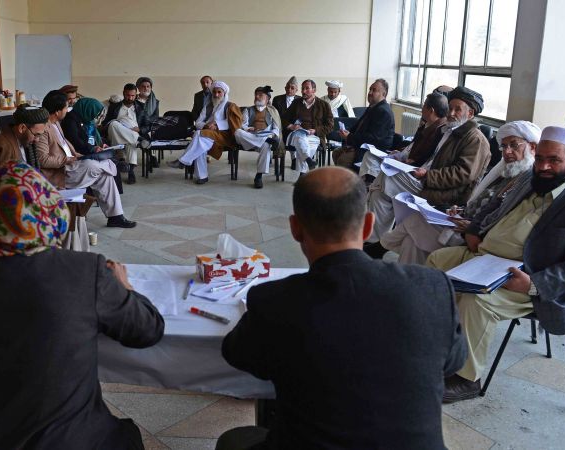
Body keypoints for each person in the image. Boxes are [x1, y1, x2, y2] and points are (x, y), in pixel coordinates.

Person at [217, 167, 466, 449]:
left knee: (233, 440)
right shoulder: (432, 288)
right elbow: (454, 362)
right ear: (369, 225)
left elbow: (238, 355)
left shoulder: (275, 301)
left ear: (295, 228)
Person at [0, 161, 163, 449]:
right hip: (71, 441)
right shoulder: (83, 270)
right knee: (126, 436)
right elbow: (147, 330)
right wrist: (125, 286)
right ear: (48, 209)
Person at [427, 126, 565, 403]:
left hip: (526, 278)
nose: (544, 166)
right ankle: (436, 348)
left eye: (554, 160)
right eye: (540, 159)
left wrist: (533, 284)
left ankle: (467, 379)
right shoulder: (532, 178)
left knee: (476, 301)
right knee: (434, 264)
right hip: (484, 257)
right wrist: (474, 229)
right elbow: (494, 206)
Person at [381, 121, 540, 264]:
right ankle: (409, 282)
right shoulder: (506, 174)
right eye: (504, 146)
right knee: (410, 242)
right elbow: (482, 202)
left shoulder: (526, 183)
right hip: (460, 220)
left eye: (514, 145)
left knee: (416, 220)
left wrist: (472, 226)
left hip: (469, 234)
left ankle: (383, 244)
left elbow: (501, 219)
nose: (507, 152)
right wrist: (461, 210)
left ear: (532, 147)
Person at [365, 86, 491, 246]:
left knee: (387, 178)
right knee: (379, 193)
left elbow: (463, 174)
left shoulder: (476, 139)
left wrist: (428, 175)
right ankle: (374, 239)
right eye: (450, 108)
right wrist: (411, 164)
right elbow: (428, 156)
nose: (451, 113)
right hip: (424, 179)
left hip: (442, 191)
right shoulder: (448, 130)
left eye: (457, 109)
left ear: (470, 113)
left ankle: (376, 237)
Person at [36, 92, 136, 228]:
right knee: (95, 165)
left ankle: (115, 217)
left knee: (104, 175)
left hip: (72, 164)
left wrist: (77, 155)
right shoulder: (43, 128)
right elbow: (43, 159)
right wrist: (68, 159)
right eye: (65, 107)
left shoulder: (56, 124)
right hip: (61, 173)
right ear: (58, 111)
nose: (67, 110)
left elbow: (66, 144)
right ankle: (115, 165)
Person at [358, 92, 448, 181]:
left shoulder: (439, 132)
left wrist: (406, 160)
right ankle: (369, 183)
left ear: (431, 111)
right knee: (369, 155)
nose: (422, 109)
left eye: (424, 105)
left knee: (385, 172)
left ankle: (373, 183)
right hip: (402, 158)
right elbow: (413, 145)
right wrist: (400, 152)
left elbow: (425, 159)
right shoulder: (426, 124)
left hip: (410, 168)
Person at [166, 81, 242, 184]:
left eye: (219, 92)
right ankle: (201, 176)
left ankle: (183, 161)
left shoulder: (231, 106)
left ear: (224, 93)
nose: (216, 95)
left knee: (199, 135)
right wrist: (207, 125)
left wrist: (217, 124)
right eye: (214, 92)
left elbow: (234, 124)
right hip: (209, 135)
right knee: (200, 142)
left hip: (225, 137)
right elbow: (198, 123)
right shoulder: (208, 106)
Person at [332, 79, 395, 168]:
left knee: (343, 159)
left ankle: (350, 177)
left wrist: (349, 137)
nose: (370, 92)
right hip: (361, 144)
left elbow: (373, 139)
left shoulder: (383, 111)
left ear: (383, 94)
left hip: (373, 151)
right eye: (370, 89)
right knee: (336, 153)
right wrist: (347, 133)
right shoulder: (373, 107)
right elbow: (358, 127)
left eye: (374, 90)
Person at [283, 79, 334, 177]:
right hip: (296, 133)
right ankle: (308, 162)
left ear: (314, 90)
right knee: (299, 137)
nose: (303, 91)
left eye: (307, 88)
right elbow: (283, 119)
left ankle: (303, 173)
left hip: (314, 136)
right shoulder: (296, 103)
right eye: (302, 88)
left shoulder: (324, 105)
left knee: (304, 145)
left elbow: (330, 125)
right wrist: (292, 126)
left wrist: (315, 130)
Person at [234, 86, 283, 189]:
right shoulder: (248, 110)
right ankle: (265, 140)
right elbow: (243, 125)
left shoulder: (272, 111)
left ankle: (259, 176)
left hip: (265, 135)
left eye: (260, 95)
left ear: (267, 98)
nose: (257, 96)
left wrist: (271, 135)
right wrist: (248, 129)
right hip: (250, 137)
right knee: (237, 132)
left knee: (266, 146)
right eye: (256, 94)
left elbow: (276, 129)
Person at [104, 83, 146, 184]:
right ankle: (138, 140)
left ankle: (130, 171)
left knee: (130, 143)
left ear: (136, 95)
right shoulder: (114, 107)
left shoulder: (141, 107)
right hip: (115, 133)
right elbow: (106, 122)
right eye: (128, 95)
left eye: (132, 95)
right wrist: (120, 123)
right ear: (123, 93)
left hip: (132, 133)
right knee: (114, 123)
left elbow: (148, 124)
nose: (130, 98)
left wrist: (140, 129)